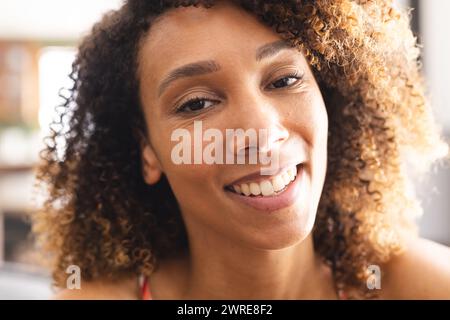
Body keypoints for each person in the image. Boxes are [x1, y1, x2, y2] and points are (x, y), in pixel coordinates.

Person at [33, 0, 450, 299]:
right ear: (149, 152)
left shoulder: (423, 287)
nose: (262, 133)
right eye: (196, 104)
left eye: (284, 80)